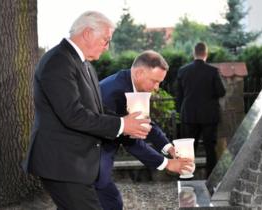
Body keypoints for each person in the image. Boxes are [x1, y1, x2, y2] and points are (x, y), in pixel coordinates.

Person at [22, 11, 152, 210]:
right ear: (88, 33)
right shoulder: (58, 61)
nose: (107, 46)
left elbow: (97, 109)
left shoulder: (84, 64)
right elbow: (73, 115)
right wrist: (122, 124)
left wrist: (126, 123)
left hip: (74, 164)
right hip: (62, 164)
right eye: (105, 40)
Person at [96, 50, 193, 210]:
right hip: (87, 159)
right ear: (139, 73)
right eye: (155, 81)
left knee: (110, 202)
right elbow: (130, 141)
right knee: (109, 203)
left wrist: (169, 148)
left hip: (100, 158)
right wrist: (167, 164)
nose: (157, 88)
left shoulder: (130, 85)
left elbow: (145, 123)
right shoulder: (115, 92)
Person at [176, 42, 226, 177]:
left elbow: (179, 97)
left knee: (188, 149)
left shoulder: (183, 71)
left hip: (189, 115)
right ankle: (211, 177)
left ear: (194, 53)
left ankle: (186, 176)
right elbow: (221, 92)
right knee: (210, 148)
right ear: (206, 54)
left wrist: (181, 112)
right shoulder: (212, 71)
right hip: (209, 116)